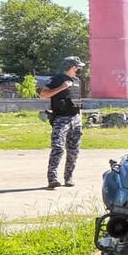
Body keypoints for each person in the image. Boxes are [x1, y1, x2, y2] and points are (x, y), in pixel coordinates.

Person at [41, 56, 85, 189]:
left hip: (75, 119)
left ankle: (69, 177)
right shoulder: (57, 80)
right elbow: (43, 94)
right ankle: (52, 178)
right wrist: (61, 87)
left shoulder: (77, 81)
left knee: (73, 150)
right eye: (78, 67)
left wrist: (80, 119)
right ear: (72, 67)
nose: (80, 69)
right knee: (58, 148)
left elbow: (77, 102)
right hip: (61, 119)